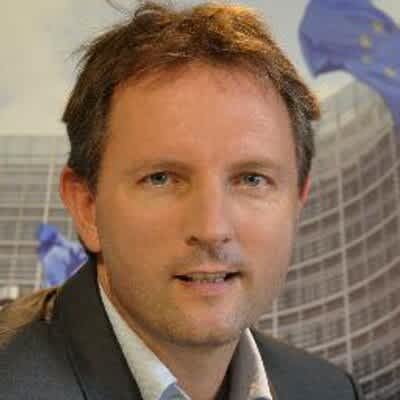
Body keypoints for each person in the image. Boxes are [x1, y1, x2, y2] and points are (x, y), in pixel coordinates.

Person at [0, 2, 364, 399]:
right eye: (161, 179)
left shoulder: (331, 390)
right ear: (87, 206)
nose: (212, 229)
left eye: (251, 179)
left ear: (297, 203)